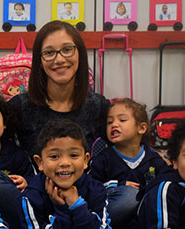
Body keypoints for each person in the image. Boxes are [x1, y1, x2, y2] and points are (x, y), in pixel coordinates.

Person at [8, 20, 110, 159]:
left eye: (67, 49)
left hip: (88, 181)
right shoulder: (18, 107)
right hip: (33, 181)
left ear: (80, 54)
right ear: (40, 61)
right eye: (49, 52)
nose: (60, 59)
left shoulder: (99, 106)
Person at [89, 98, 169, 229]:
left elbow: (166, 182)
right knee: (130, 196)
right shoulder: (103, 158)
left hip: (142, 222)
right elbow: (91, 185)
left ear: (141, 128)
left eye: (122, 119)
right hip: (112, 215)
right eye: (109, 122)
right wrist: (116, 185)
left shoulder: (154, 159)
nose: (114, 124)